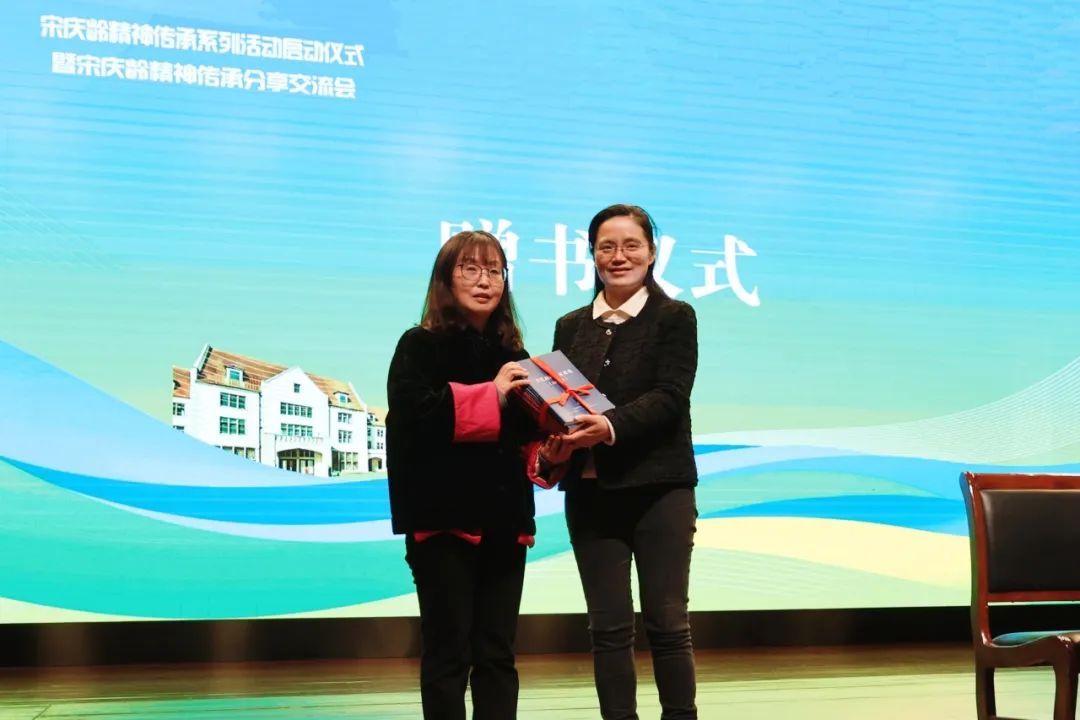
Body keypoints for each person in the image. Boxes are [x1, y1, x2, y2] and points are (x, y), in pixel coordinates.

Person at [386, 230, 559, 720]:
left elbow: (526, 440)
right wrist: (492, 393)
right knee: (448, 654)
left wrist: (552, 450)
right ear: (446, 279)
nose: (485, 281)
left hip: (505, 523)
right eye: (470, 269)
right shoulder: (418, 345)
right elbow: (414, 421)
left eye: (494, 271)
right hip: (443, 523)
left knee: (497, 654)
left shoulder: (518, 357)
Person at [544, 204, 699, 720]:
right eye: (606, 246)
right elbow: (559, 402)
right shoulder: (570, 326)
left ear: (652, 253)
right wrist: (556, 441)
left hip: (660, 492)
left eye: (631, 245)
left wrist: (609, 427)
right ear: (592, 255)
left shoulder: (674, 316)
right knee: (607, 629)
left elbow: (670, 395)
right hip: (591, 494)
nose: (619, 256)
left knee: (667, 624)